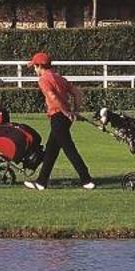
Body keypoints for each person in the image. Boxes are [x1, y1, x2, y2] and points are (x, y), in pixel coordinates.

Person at [25, 52, 95, 190]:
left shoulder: (43, 80)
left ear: (40, 66)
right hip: (64, 118)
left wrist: (65, 111)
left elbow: (52, 97)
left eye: (35, 67)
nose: (34, 70)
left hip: (58, 116)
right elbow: (77, 93)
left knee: (69, 149)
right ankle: (41, 182)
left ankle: (86, 180)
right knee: (51, 150)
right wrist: (75, 110)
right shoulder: (59, 78)